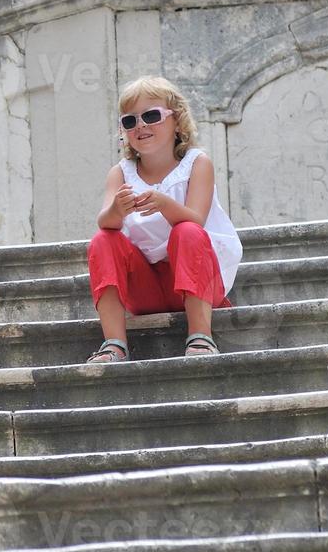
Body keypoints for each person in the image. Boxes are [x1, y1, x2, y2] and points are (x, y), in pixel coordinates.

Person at [84, 76, 242, 363]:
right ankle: (114, 344)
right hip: (148, 290)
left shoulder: (197, 163)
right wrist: (117, 210)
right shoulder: (120, 173)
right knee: (103, 239)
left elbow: (197, 218)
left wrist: (165, 204)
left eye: (151, 115)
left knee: (187, 230)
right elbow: (105, 221)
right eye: (130, 121)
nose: (141, 125)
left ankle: (200, 336)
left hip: (199, 281)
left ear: (177, 122)